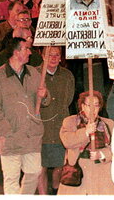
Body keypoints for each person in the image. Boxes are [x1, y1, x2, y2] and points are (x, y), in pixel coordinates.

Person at [0, 37, 50, 194]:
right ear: (16, 52)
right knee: (11, 178)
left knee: (34, 172)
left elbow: (45, 102)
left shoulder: (34, 73)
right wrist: (6, 130)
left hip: (31, 136)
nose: (30, 52)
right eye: (26, 48)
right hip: (10, 138)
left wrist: (45, 95)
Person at [57, 90, 114, 195]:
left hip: (101, 172)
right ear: (82, 106)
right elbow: (67, 141)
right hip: (77, 171)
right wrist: (85, 132)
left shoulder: (108, 124)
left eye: (96, 105)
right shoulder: (70, 121)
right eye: (89, 105)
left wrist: (102, 154)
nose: (93, 109)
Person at [38, 46, 75, 195]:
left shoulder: (67, 75)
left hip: (60, 127)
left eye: (57, 55)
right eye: (49, 55)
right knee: (40, 166)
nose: (53, 58)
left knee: (59, 164)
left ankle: (55, 191)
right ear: (42, 56)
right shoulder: (34, 74)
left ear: (61, 57)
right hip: (41, 127)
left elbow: (69, 99)